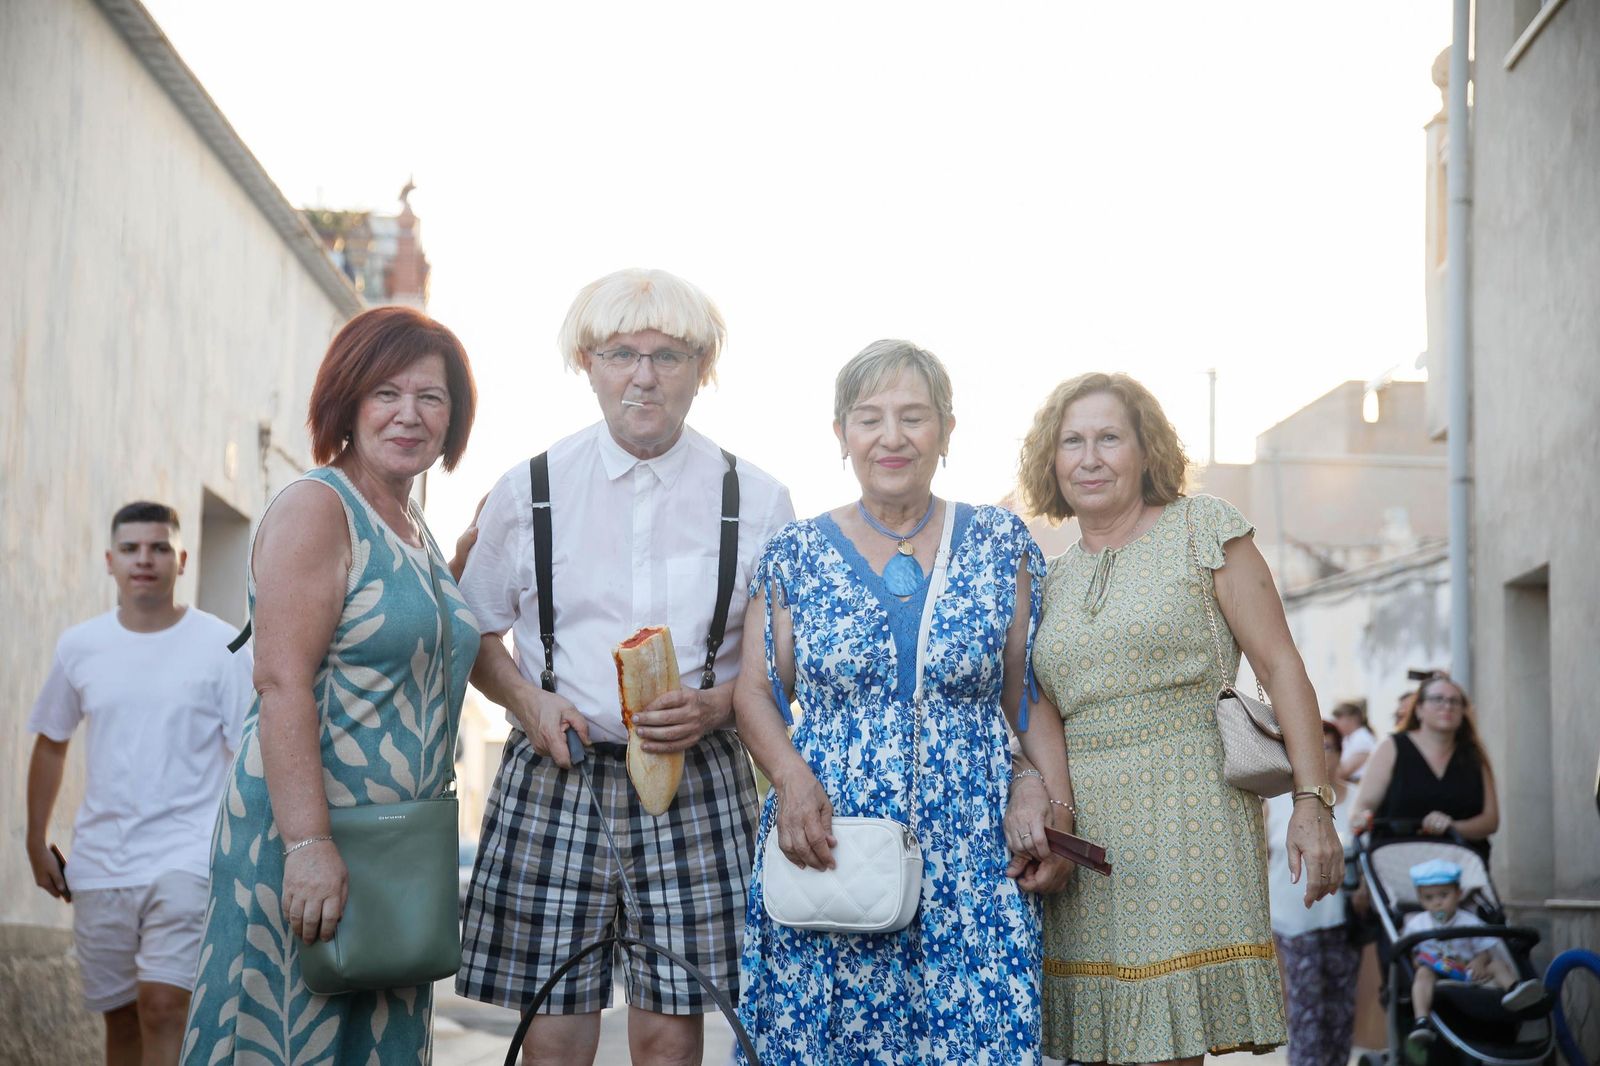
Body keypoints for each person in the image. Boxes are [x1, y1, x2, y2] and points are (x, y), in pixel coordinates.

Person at [455, 268, 794, 1066]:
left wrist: (716, 706)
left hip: (699, 772)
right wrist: (527, 702)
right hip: (557, 769)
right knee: (554, 1030)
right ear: (588, 363)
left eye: (668, 356)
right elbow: (470, 632)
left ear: (702, 370)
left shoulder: (759, 499)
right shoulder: (529, 490)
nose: (643, 376)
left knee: (672, 1032)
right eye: (621, 354)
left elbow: (783, 663)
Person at [733, 340, 1069, 1064]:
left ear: (947, 430)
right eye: (869, 418)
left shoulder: (1000, 543)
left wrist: (1052, 802)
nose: (892, 437)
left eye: (914, 417)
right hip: (832, 839)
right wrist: (792, 780)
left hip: (973, 849)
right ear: (840, 434)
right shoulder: (794, 553)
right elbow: (755, 692)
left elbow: (1028, 696)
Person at [181, 305, 480, 1064]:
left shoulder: (414, 526)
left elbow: (430, 648)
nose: (409, 415)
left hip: (394, 859)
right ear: (347, 400)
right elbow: (281, 682)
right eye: (386, 393)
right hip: (310, 842)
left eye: (431, 397)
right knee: (286, 1043)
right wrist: (307, 846)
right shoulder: (320, 507)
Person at [1016, 371, 1343, 1064]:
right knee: (1100, 1046)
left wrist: (1313, 803)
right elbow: (1033, 705)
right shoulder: (1051, 577)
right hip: (1086, 831)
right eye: (1072, 442)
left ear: (1146, 450)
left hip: (1188, 811)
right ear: (1052, 460)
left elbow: (1282, 664)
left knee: (1167, 1046)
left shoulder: (1203, 526)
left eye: (1110, 437)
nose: (1090, 457)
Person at [26, 502, 253, 1066]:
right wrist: (34, 840)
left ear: (181, 558)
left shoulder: (222, 646)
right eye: (131, 549)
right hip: (101, 862)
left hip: (187, 856)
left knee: (163, 1005)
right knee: (122, 1016)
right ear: (110, 561)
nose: (144, 560)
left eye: (157, 548)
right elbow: (52, 741)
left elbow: (252, 755)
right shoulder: (81, 646)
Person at [1265, 720, 1358, 1066]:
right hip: (1291, 922)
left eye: (1328, 747)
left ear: (1340, 753)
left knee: (1339, 1013)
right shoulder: (1275, 801)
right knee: (1306, 1014)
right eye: (1311, 746)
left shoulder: (1360, 798)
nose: (1319, 755)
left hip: (1343, 920)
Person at [1400, 859, 1545, 1060]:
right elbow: (1412, 952)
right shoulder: (1417, 924)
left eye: (1444, 895)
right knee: (1423, 974)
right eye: (1429, 898)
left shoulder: (1469, 920)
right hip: (1439, 973)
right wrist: (1416, 961)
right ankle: (1422, 1020)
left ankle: (1515, 989)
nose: (1437, 902)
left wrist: (1479, 961)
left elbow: (1485, 949)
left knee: (1497, 964)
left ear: (1458, 894)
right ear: (1420, 899)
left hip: (1468, 970)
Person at [1350, 672, 1498, 861]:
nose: (1447, 706)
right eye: (1438, 699)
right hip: (1397, 864)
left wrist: (1452, 826)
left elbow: (1490, 821)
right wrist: (1361, 818)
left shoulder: (1473, 754)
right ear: (1419, 709)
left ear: (1463, 711)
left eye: (1455, 701)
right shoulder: (1391, 748)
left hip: (1462, 866)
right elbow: (1362, 806)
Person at [1331, 699, 1377, 782]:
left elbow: (1344, 772)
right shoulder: (1347, 738)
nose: (1335, 722)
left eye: (1339, 718)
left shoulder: (1362, 738)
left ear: (1353, 719)